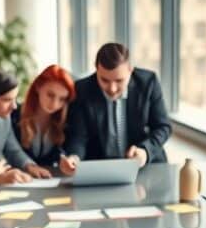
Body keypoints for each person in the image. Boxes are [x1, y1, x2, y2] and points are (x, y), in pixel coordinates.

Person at [61, 43, 172, 175]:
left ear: (130, 70)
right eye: (104, 80)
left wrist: (145, 151)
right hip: (101, 170)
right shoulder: (82, 89)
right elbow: (78, 136)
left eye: (119, 81)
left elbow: (163, 127)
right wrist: (74, 157)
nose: (112, 89)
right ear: (96, 69)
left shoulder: (148, 82)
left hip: (146, 167)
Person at [0, 70, 48, 180]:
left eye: (15, 99)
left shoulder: (4, 119)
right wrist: (4, 175)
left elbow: (12, 149)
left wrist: (30, 166)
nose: (14, 106)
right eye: (7, 100)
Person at [12, 64, 76, 171]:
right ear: (38, 87)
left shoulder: (65, 122)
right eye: (50, 95)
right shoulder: (14, 115)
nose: (54, 104)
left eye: (62, 99)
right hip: (18, 180)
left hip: (49, 181)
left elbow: (65, 153)